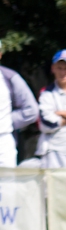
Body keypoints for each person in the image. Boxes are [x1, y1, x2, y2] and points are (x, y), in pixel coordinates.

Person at [0, 39, 40, 168]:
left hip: (3, 142)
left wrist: (8, 121)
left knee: (6, 186)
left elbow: (31, 110)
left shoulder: (10, 77)